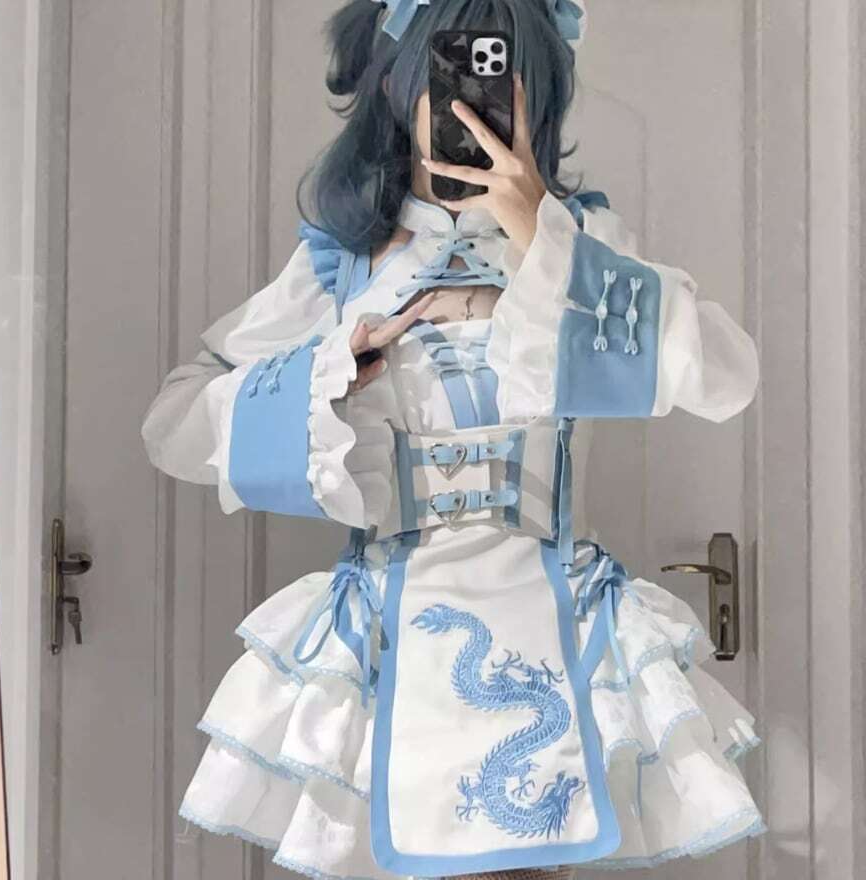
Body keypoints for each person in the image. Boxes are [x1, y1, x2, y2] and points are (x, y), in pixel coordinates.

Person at [141, 1, 764, 877]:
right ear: (403, 87)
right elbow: (174, 423)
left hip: (562, 631)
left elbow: (727, 377)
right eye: (454, 71)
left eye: (505, 75)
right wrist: (330, 369)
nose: (477, 99)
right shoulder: (342, 266)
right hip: (386, 651)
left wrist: (541, 237)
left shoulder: (583, 243)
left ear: (539, 92)